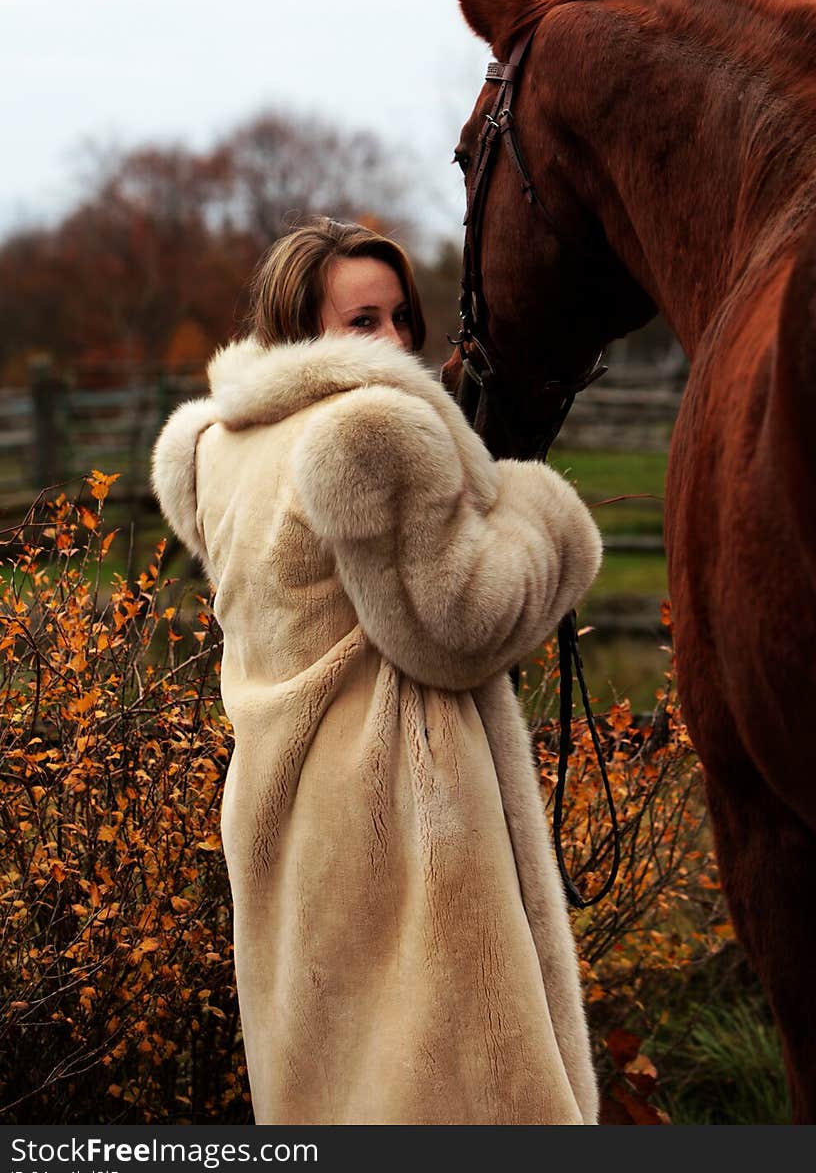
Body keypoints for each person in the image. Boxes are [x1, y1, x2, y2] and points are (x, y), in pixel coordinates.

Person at [151, 216, 603, 1125]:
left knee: (333, 1094)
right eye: (363, 321)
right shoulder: (369, 430)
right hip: (400, 819)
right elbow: (458, 628)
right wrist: (539, 514)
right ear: (299, 329)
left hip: (281, 816)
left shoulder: (210, 449)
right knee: (453, 1099)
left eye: (402, 316)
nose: (395, 341)